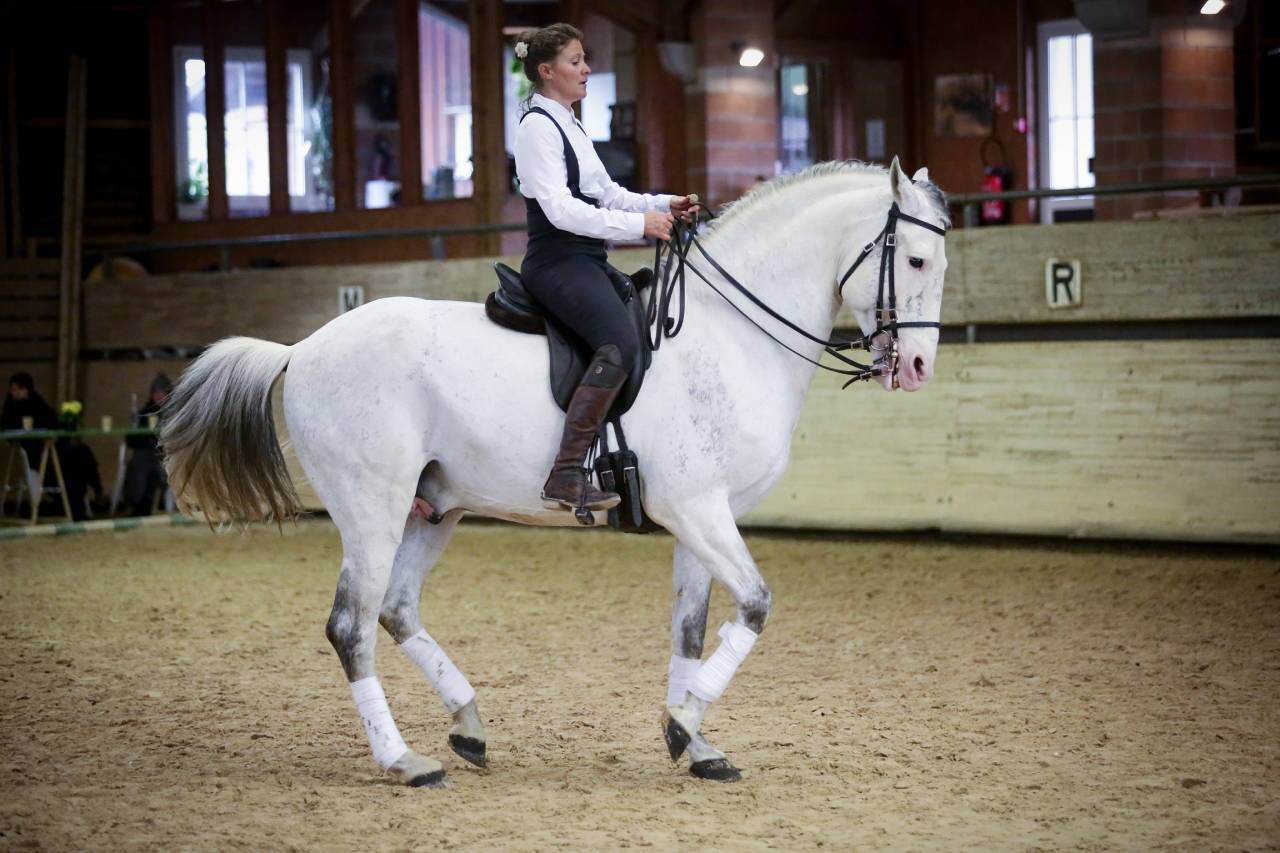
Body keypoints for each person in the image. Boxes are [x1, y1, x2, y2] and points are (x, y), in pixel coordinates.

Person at [513, 23, 699, 516]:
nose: (587, 69)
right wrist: (640, 224)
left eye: (584, 59)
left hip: (588, 259)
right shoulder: (536, 129)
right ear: (547, 71)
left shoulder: (570, 122)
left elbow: (607, 193)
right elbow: (561, 211)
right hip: (557, 262)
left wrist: (664, 203)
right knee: (618, 344)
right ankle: (567, 472)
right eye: (575, 61)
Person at [1, 372, 57, 512]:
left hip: (48, 446)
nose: (15, 393)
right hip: (30, 449)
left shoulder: (37, 403)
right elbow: (7, 427)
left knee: (80, 452)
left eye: (19, 389)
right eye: (13, 390)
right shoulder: (10, 407)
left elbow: (52, 420)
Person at [124, 372, 171, 516]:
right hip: (146, 453)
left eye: (162, 393)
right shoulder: (145, 413)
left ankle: (143, 503)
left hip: (166, 456)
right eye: (156, 392)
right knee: (140, 461)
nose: (158, 396)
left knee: (147, 462)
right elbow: (131, 440)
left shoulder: (175, 413)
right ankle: (139, 502)